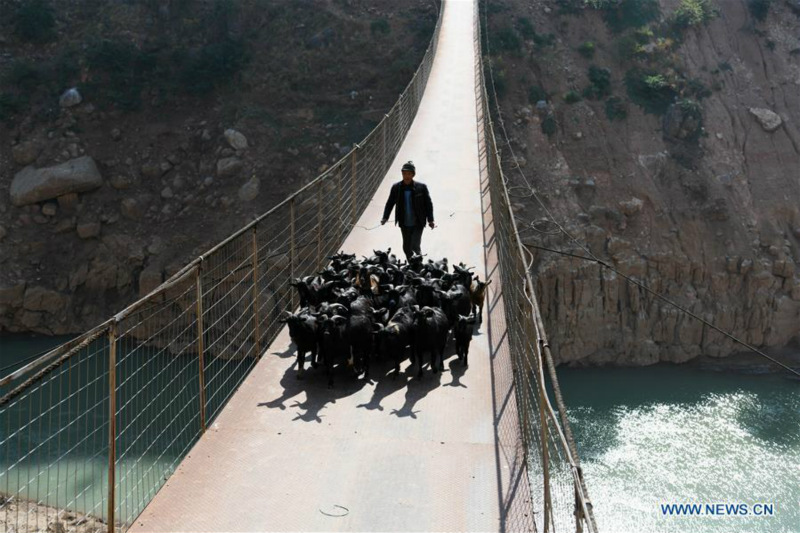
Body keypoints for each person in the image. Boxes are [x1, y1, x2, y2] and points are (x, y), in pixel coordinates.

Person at [380, 161, 435, 260]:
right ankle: (412, 266)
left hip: (418, 222)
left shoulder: (421, 188)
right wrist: (385, 217)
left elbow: (428, 204)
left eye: (409, 173)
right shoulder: (396, 188)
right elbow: (390, 203)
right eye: (404, 173)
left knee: (415, 246)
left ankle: (418, 267)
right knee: (406, 247)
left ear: (413, 174)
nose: (406, 176)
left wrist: (431, 220)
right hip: (404, 223)